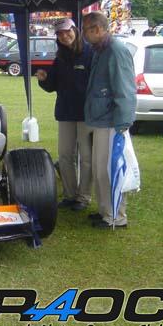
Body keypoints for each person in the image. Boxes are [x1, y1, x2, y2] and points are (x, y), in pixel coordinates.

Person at [82, 12, 136, 229]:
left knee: (111, 170)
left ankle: (116, 216)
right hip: (101, 120)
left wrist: (122, 125)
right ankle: (105, 211)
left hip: (113, 122)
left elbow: (125, 90)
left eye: (85, 30)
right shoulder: (101, 50)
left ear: (97, 29)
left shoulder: (116, 50)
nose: (83, 34)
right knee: (100, 170)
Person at [36, 18, 94, 212]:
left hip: (87, 114)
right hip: (66, 113)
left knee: (86, 157)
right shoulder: (60, 57)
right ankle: (70, 195)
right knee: (65, 155)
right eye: (59, 33)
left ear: (75, 30)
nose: (64, 36)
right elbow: (52, 85)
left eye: (67, 31)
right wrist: (43, 79)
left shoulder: (90, 53)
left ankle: (83, 197)